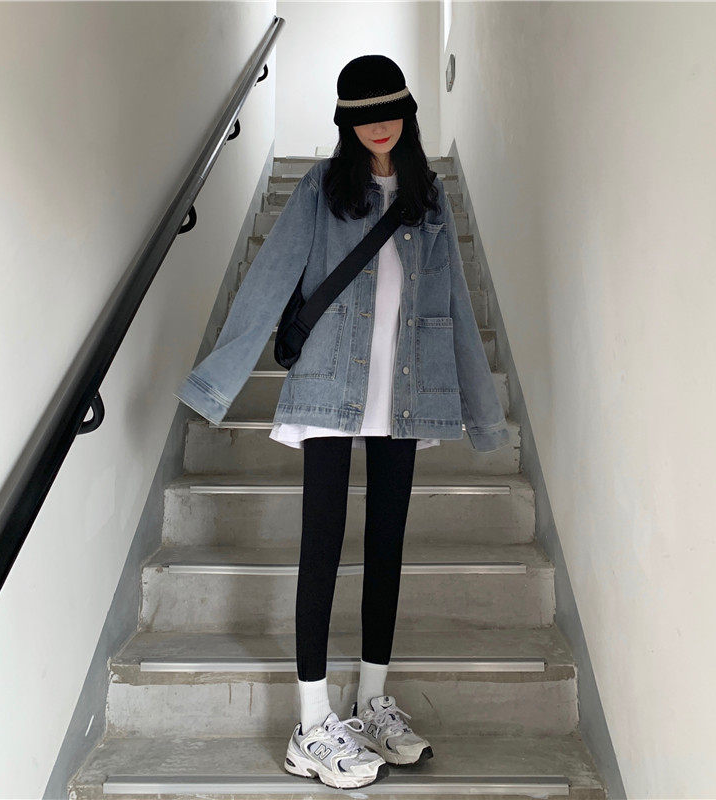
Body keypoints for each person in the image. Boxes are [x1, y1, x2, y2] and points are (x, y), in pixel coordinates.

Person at [173, 53, 510, 791]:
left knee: (387, 548)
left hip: (407, 391)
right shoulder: (321, 190)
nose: (379, 125)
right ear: (345, 122)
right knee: (321, 548)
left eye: (390, 111)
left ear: (407, 115)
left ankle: (372, 703)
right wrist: (217, 384)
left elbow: (454, 302)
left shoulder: (429, 197)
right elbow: (269, 279)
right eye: (364, 114)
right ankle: (311, 721)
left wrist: (482, 414)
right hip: (329, 386)